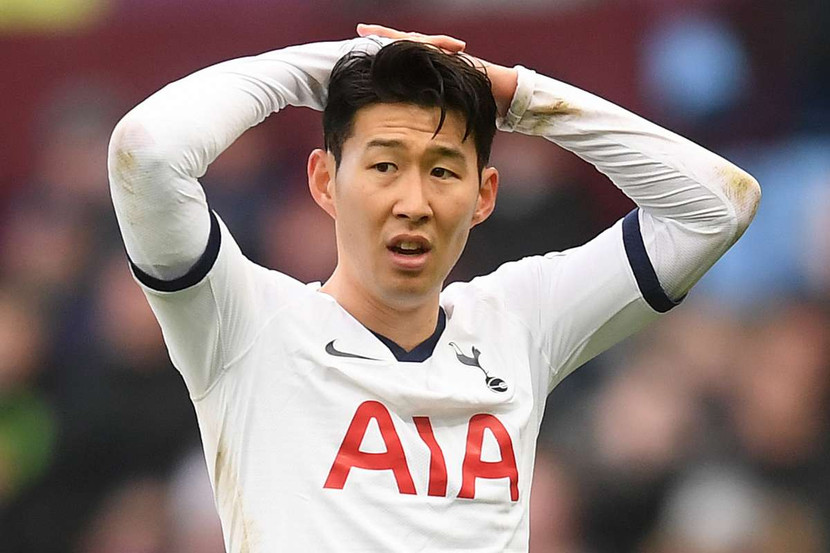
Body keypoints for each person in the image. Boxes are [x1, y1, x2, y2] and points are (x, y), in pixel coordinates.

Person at [107, 24, 760, 552]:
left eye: (443, 171)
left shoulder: (518, 322)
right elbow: (148, 149)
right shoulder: (248, 326)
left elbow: (717, 207)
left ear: (484, 195)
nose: (414, 203)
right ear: (325, 182)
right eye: (384, 165)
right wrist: (329, 66)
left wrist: (518, 98)